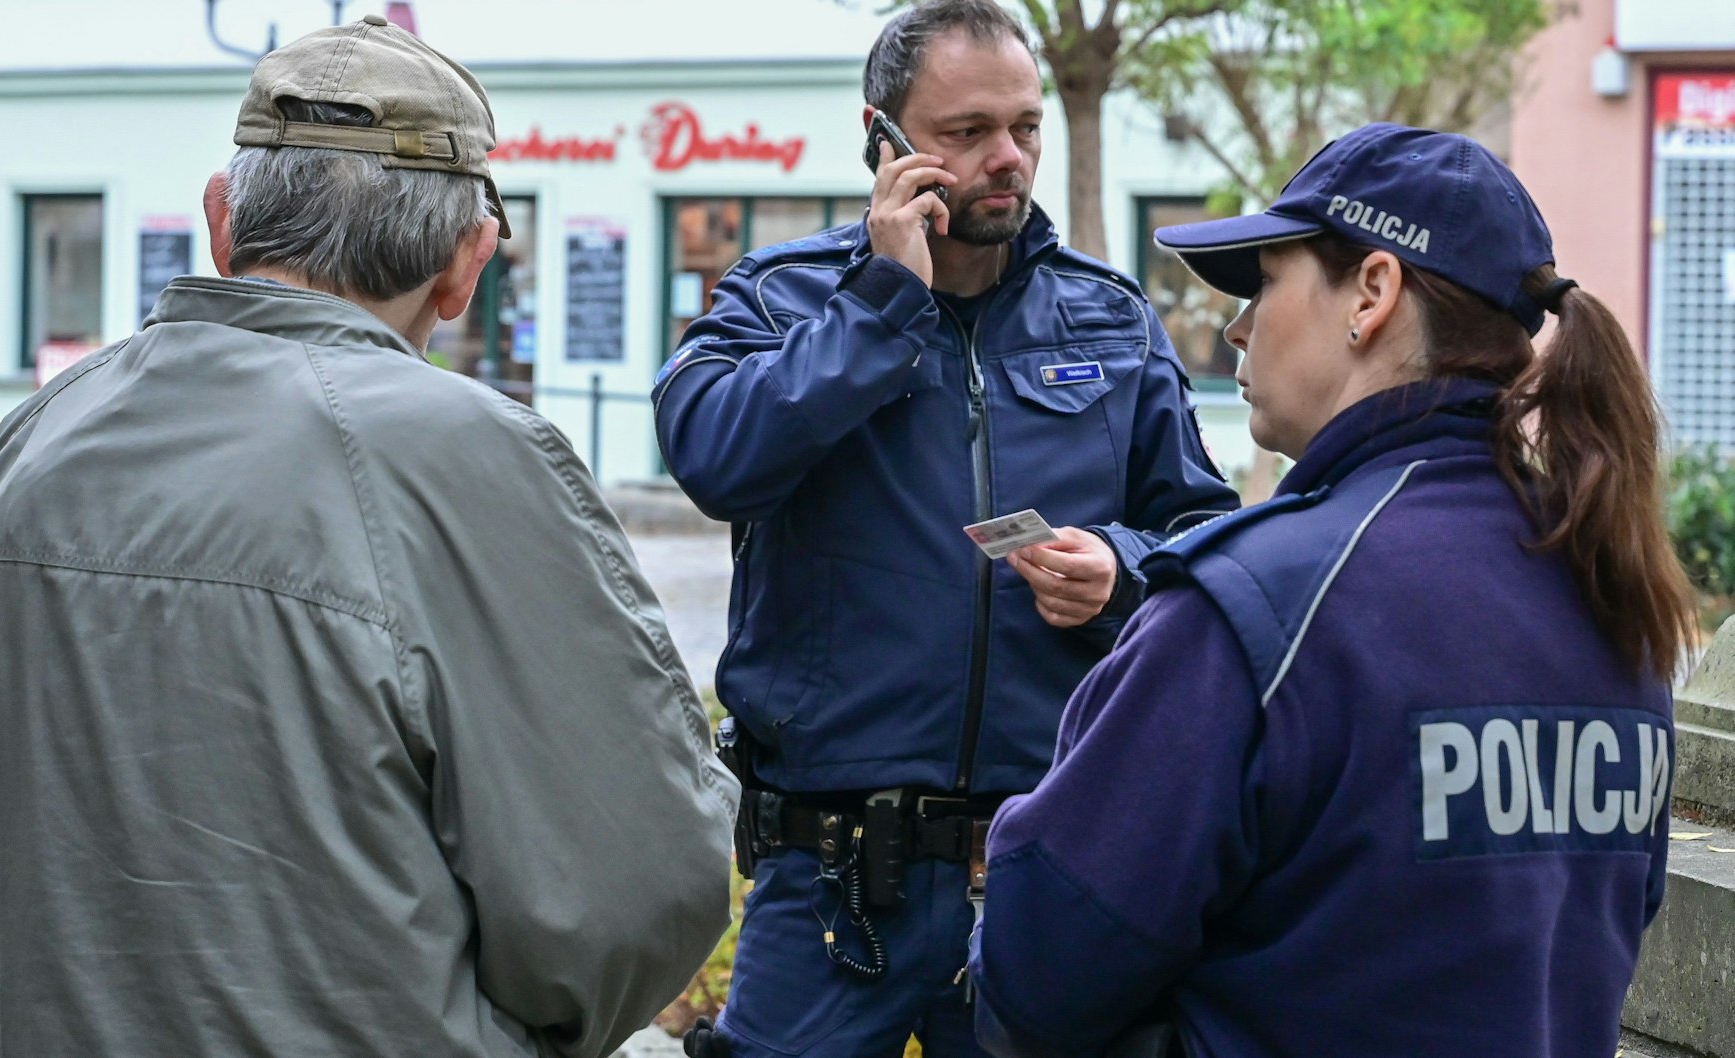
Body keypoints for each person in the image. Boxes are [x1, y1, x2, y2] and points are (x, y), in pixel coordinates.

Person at [0, 17, 737, 1058]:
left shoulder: (39, 432)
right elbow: (633, 889)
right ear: (463, 262)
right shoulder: (469, 458)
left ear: (221, 222)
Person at [970, 122, 1694, 1058]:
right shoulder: (1611, 594)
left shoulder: (1250, 606)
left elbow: (1036, 984)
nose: (1236, 325)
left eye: (1267, 282)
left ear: (1373, 294)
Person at [652, 2, 1239, 1054]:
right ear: (881, 137)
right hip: (830, 882)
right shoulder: (784, 302)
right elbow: (712, 459)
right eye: (965, 133)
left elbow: (1208, 539)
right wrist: (879, 304)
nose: (1005, 158)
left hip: (1047, 867)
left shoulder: (1107, 317)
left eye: (1024, 128)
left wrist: (1125, 569)